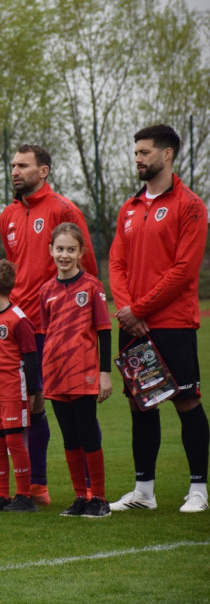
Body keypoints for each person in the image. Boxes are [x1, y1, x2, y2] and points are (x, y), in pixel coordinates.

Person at [108, 124, 209, 514]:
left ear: (167, 155)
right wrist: (127, 310)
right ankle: (144, 491)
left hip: (174, 324)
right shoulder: (129, 207)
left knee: (186, 401)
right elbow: (116, 262)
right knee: (141, 406)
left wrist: (141, 309)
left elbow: (184, 270)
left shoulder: (190, 205)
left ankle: (198, 489)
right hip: (133, 324)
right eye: (135, 152)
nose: (138, 158)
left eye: (145, 152)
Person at [0, 145, 99, 505]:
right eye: (13, 165)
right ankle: (37, 487)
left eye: (23, 165)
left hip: (58, 328)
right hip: (19, 326)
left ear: (43, 171)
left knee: (72, 409)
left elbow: (87, 270)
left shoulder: (62, 209)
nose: (15, 171)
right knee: (29, 405)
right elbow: (15, 270)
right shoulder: (8, 214)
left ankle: (90, 490)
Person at [38, 223, 113, 518]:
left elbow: (104, 332)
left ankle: (101, 499)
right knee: (69, 436)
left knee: (87, 434)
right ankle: (81, 496)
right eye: (60, 249)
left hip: (84, 373)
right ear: (51, 251)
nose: (64, 255)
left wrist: (104, 373)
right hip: (56, 374)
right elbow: (47, 334)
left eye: (71, 249)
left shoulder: (92, 287)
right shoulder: (45, 291)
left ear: (81, 252)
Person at [0, 259, 40, 512]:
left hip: (14, 390)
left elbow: (31, 357)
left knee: (14, 442)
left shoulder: (18, 319)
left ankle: (24, 496)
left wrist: (32, 392)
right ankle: (1, 495)